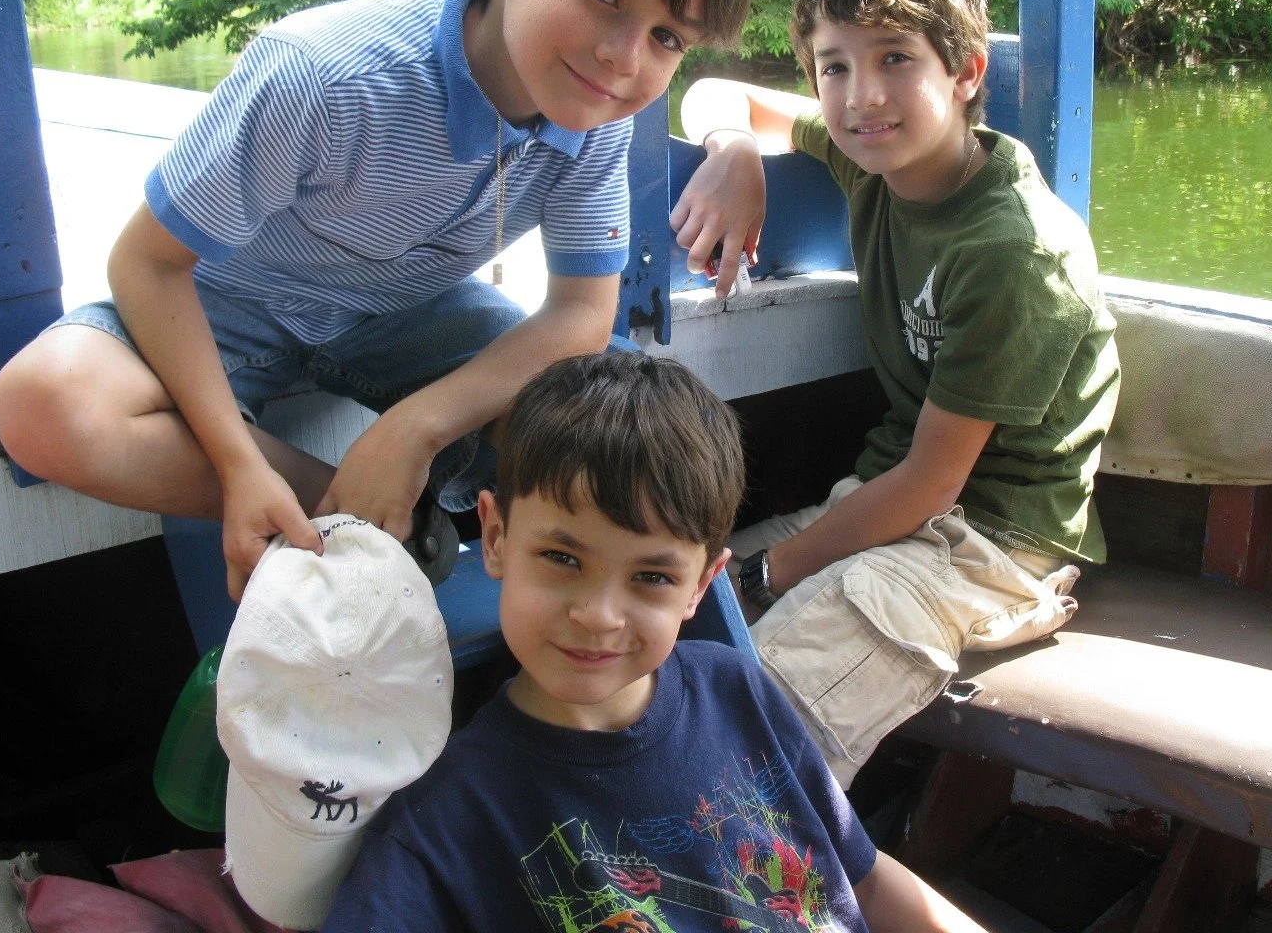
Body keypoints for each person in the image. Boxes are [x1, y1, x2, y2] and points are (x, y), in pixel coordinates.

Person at [0, 0, 760, 600]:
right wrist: (239, 466)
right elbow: (147, 261)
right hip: (229, 305)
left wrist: (414, 428)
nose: (622, 56)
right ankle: (339, 512)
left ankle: (579, 625)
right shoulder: (325, 77)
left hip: (409, 314)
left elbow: (578, 316)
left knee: (624, 424)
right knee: (45, 404)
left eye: (668, 37)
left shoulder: (597, 110)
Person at [671, 0, 1121, 784]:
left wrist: (767, 574)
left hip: (988, 546)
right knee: (674, 608)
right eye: (833, 66)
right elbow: (712, 92)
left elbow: (933, 483)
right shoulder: (870, 167)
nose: (859, 97)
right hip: (879, 502)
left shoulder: (1012, 249)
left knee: (749, 725)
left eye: (894, 59)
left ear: (965, 73)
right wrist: (736, 153)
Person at [323, 352, 988, 933]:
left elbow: (861, 879)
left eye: (651, 577)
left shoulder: (739, 689)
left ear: (701, 585)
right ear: (495, 538)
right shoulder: (452, 817)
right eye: (561, 557)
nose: (599, 616)